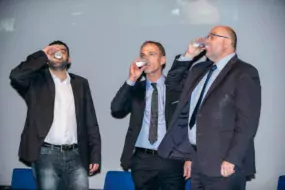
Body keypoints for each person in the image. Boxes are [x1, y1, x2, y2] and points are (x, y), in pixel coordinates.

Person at [158, 26, 261, 190]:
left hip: (224, 165)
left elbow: (247, 122)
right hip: (197, 163)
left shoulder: (244, 72)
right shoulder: (199, 70)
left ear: (227, 42)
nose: (206, 40)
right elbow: (172, 84)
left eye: (211, 36)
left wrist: (232, 159)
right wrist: (188, 56)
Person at [9, 41, 101, 190]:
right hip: (45, 155)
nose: (58, 53)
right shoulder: (36, 81)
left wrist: (95, 155)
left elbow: (90, 120)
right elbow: (16, 75)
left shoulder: (81, 83)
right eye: (53, 50)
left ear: (68, 59)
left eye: (62, 50)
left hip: (77, 155)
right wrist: (42, 54)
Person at [111, 41, 193, 190]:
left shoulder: (176, 88)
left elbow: (187, 123)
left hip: (172, 159)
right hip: (143, 161)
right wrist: (131, 79)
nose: (146, 58)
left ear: (163, 60)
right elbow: (116, 109)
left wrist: (189, 157)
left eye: (152, 54)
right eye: (143, 55)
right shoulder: (136, 89)